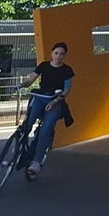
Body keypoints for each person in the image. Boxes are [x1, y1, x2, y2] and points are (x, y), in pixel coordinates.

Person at [18, 41, 74, 178]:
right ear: (51, 53)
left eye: (61, 54)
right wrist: (22, 85)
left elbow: (66, 90)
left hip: (55, 101)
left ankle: (36, 163)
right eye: (56, 53)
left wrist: (55, 101)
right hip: (41, 97)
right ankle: (20, 144)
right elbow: (30, 80)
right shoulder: (43, 66)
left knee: (45, 129)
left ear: (64, 56)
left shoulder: (67, 70)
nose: (58, 56)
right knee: (29, 120)